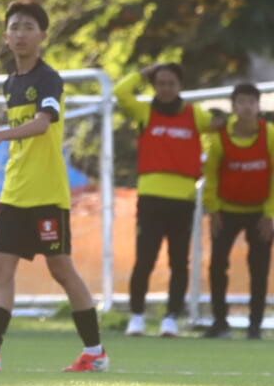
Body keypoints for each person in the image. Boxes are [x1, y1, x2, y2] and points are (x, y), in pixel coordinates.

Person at [0, 0, 108, 373]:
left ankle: (95, 352)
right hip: (15, 191)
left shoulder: (48, 79)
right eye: (14, 27)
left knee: (61, 269)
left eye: (28, 27)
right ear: (5, 36)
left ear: (42, 36)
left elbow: (43, 123)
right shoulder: (11, 83)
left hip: (47, 192)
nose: (20, 34)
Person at [115, 62, 219, 337]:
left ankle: (171, 318)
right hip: (150, 198)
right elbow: (121, 92)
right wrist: (143, 73)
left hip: (183, 200)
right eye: (160, 83)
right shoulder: (144, 111)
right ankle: (137, 316)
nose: (165, 89)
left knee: (179, 262)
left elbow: (220, 126)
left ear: (180, 85)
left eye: (171, 83)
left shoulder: (194, 114)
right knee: (145, 259)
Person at [203, 83, 273, 340]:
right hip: (226, 212)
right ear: (233, 106)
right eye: (241, 102)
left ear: (258, 106)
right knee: (217, 265)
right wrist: (213, 210)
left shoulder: (269, 135)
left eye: (251, 102)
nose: (246, 107)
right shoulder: (219, 138)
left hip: (259, 213)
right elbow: (211, 176)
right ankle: (220, 322)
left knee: (259, 267)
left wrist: (270, 213)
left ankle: (255, 325)